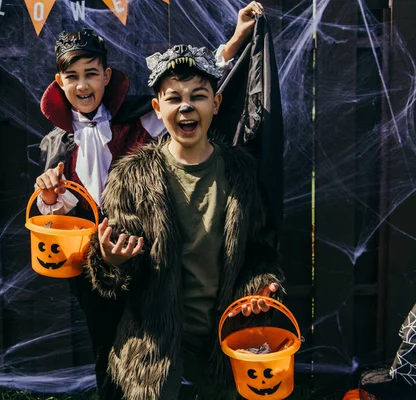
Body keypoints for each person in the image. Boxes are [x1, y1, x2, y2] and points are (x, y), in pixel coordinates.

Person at [33, 3, 267, 400]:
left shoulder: (141, 117)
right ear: (60, 82)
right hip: (96, 255)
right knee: (107, 340)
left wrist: (235, 40)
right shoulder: (57, 143)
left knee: (155, 327)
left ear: (107, 77)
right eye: (72, 77)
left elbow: (196, 90)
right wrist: (53, 198)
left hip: (147, 238)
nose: (83, 84)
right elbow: (58, 213)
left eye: (91, 73)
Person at [84, 41, 284, 400]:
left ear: (216, 103)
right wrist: (111, 261)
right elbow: (115, 272)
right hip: (154, 346)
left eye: (198, 95)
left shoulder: (242, 174)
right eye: (174, 98)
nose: (186, 106)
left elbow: (259, 250)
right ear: (158, 109)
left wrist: (261, 286)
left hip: (224, 340)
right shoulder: (132, 178)